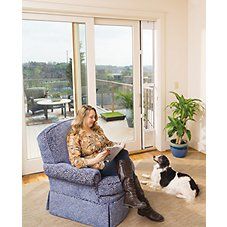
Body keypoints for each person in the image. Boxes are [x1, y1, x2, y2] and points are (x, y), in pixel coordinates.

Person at [67, 104, 164, 222]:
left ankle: (133, 198)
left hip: (108, 158)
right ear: (82, 117)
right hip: (98, 165)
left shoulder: (96, 129)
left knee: (123, 154)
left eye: (94, 117)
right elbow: (75, 161)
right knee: (125, 161)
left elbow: (108, 143)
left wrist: (118, 145)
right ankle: (143, 206)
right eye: (91, 117)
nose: (94, 119)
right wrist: (95, 159)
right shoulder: (75, 134)